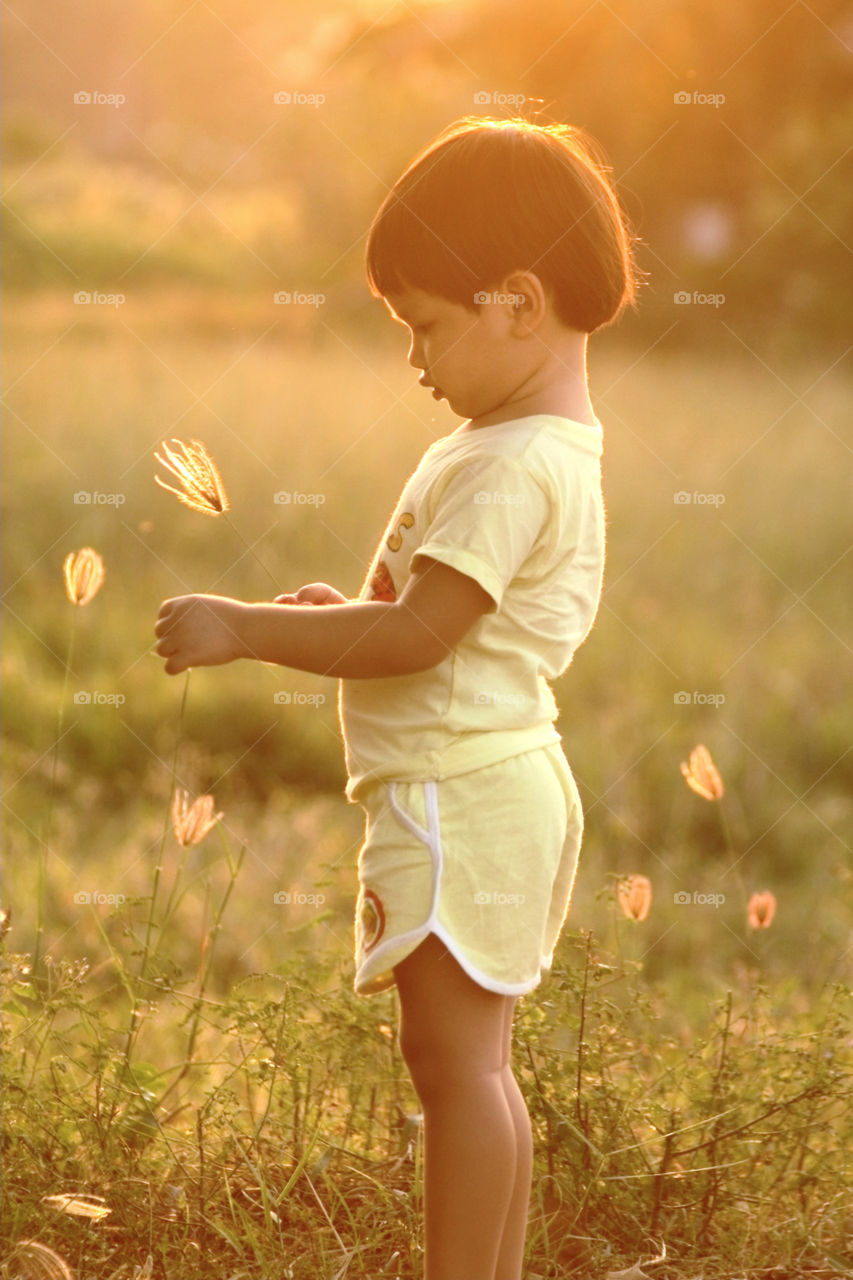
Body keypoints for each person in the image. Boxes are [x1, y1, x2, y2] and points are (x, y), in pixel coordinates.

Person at [154, 115, 640, 1280]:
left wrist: (249, 629)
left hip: (455, 793)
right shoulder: (538, 443)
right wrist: (340, 611)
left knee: (452, 1064)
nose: (414, 361)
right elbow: (431, 612)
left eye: (424, 325)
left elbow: (420, 635)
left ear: (515, 303)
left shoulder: (504, 461)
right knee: (480, 1064)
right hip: (496, 780)